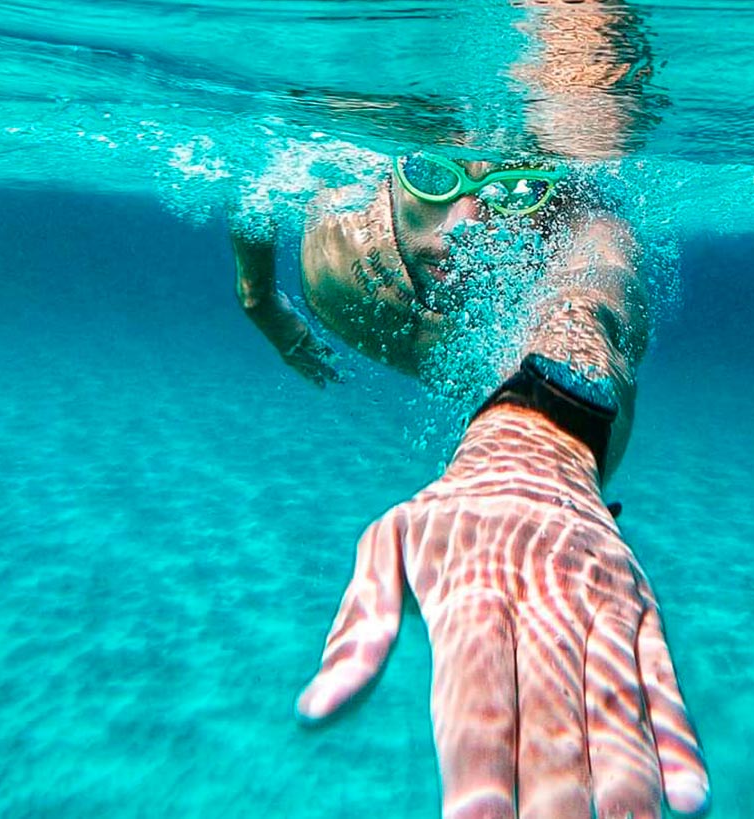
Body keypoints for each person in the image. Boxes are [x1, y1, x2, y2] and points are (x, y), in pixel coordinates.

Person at [230, 148, 709, 818]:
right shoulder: (338, 238)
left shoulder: (576, 221)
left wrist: (537, 443)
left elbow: (593, 299)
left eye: (514, 190)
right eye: (432, 177)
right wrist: (259, 298)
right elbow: (261, 181)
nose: (464, 223)